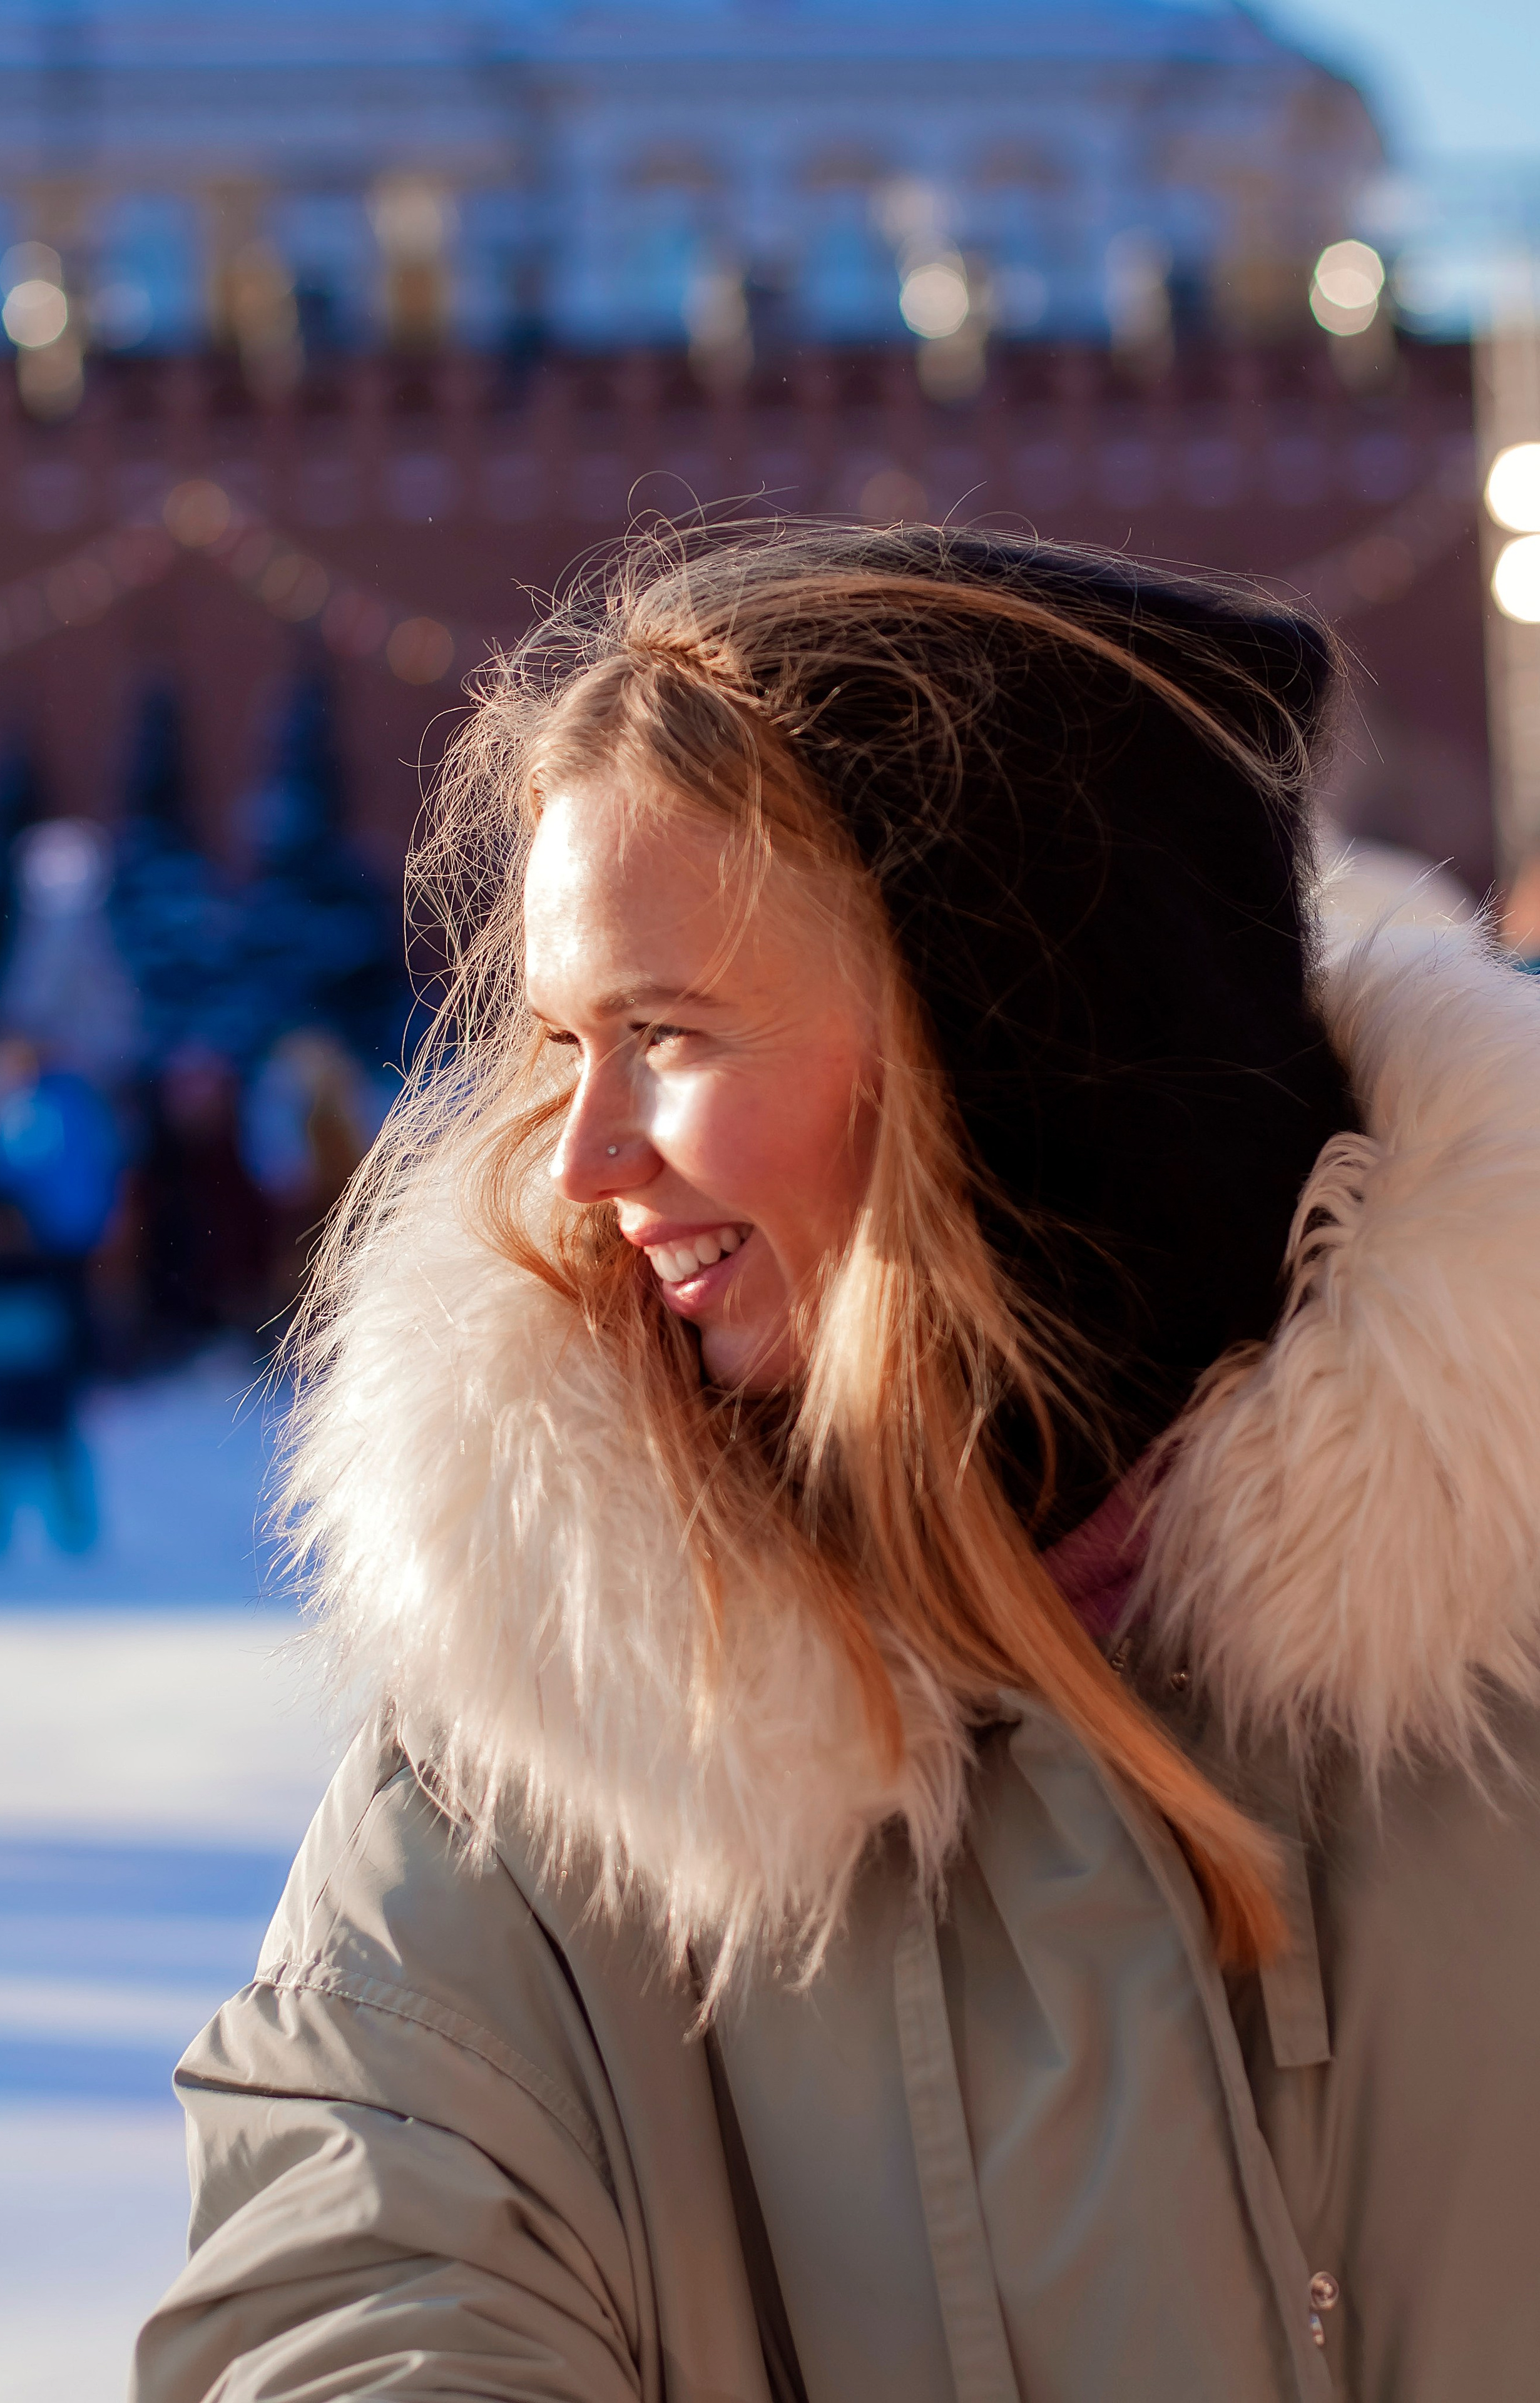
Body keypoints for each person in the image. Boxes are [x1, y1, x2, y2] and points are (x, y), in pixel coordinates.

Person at [133, 524, 1540, 2403]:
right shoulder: (556, 1737)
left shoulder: (1496, 1661)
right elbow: (352, 2277)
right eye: (566, 1045)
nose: (585, 1157)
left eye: (667, 1034)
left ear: (1024, 1060)